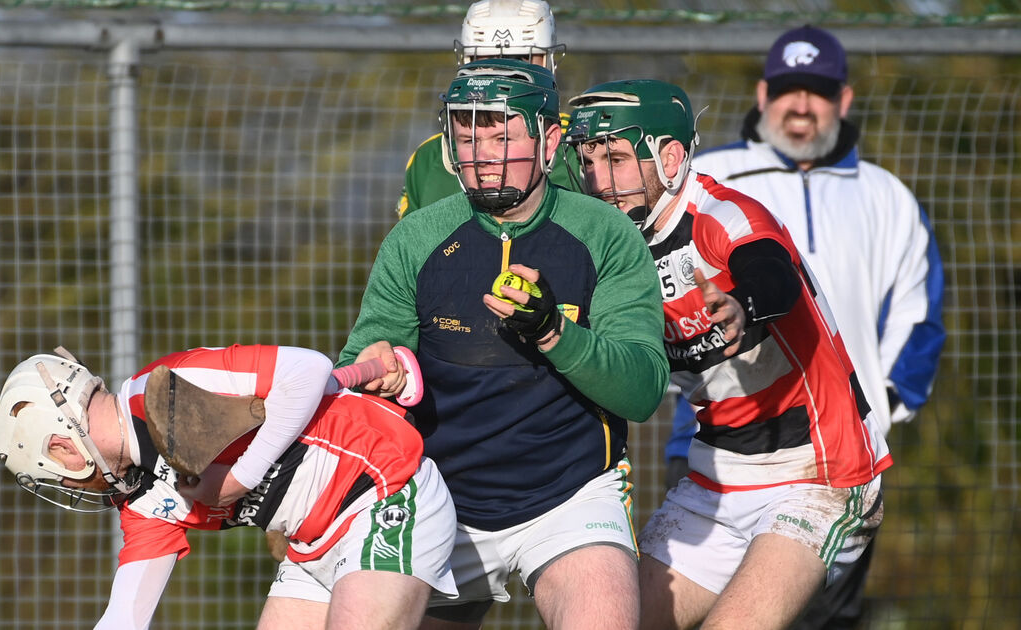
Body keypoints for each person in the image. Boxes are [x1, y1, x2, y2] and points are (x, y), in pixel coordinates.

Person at [341, 58, 669, 630]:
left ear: (550, 140)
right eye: (467, 133)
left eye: (501, 134)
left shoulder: (606, 234)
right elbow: (364, 368)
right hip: (433, 495)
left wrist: (552, 332)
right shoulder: (416, 238)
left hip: (571, 496)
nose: (482, 152)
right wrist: (380, 370)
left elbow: (641, 390)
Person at [565, 79, 892, 630]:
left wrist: (744, 306)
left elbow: (772, 272)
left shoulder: (721, 212)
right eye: (588, 161)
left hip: (820, 475)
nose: (599, 180)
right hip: (715, 478)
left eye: (616, 159)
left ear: (670, 157)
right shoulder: (609, 248)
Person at [685, 25, 946, 628]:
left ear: (844, 100)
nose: (801, 104)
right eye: (787, 89)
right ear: (761, 93)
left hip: (839, 455)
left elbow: (918, 317)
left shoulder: (886, 196)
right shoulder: (707, 180)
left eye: (818, 90)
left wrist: (879, 408)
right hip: (721, 445)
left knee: (822, 621)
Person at [0, 344, 457, 630]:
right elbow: (124, 619)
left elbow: (308, 370)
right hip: (313, 545)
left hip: (384, 492)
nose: (74, 485)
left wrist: (240, 478)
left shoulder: (175, 381)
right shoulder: (141, 500)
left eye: (55, 473)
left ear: (61, 445)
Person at [395, 0, 578, 219]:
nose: (503, 72)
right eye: (488, 60)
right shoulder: (431, 157)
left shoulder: (580, 147)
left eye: (522, 60)